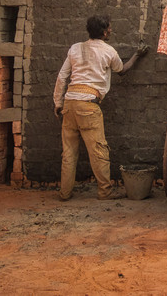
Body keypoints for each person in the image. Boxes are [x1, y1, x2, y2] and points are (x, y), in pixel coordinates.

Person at [53, 15, 149, 201]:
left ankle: (65, 193)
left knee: (69, 152)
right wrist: (137, 54)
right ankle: (105, 191)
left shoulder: (75, 48)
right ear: (104, 32)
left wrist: (58, 103)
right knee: (98, 150)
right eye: (110, 29)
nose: (111, 31)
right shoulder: (108, 51)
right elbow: (122, 70)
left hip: (69, 104)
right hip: (89, 105)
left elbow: (62, 77)